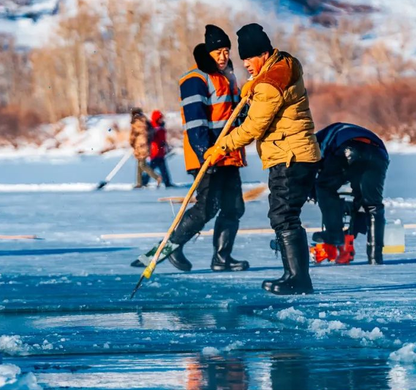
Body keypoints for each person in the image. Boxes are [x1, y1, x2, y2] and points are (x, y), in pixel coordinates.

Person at [204, 23, 321, 295]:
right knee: (284, 215)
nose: (245, 64)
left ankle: (297, 279)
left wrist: (221, 147)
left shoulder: (270, 85)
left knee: (283, 216)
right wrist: (252, 86)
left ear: (264, 54)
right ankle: (295, 276)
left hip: (290, 155)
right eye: (243, 59)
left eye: (249, 58)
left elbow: (253, 127)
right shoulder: (283, 65)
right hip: (296, 153)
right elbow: (263, 87)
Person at [131, 24, 249, 272]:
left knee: (234, 206)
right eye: (218, 51)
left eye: (227, 50)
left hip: (230, 153)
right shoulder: (195, 79)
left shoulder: (229, 78)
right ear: (208, 53)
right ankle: (172, 245)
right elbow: (195, 121)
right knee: (207, 205)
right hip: (206, 154)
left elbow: (235, 114)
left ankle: (221, 258)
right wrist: (205, 150)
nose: (223, 56)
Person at [311, 122, 389, 265]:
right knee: (372, 205)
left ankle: (334, 235)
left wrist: (312, 191)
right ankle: (375, 256)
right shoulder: (341, 129)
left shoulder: (318, 140)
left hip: (349, 148)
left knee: (324, 186)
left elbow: (316, 166)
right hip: (379, 154)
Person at [129, 107, 161, 189]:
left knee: (142, 164)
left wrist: (132, 142)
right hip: (145, 144)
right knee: (139, 164)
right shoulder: (145, 121)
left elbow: (133, 135)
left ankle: (157, 177)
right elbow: (151, 133)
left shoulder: (136, 121)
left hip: (140, 145)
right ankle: (139, 182)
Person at [142, 110, 174, 187]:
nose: (161, 120)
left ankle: (167, 182)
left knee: (163, 169)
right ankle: (144, 182)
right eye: (160, 118)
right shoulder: (152, 127)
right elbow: (150, 138)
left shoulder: (161, 127)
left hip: (161, 151)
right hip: (155, 152)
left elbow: (163, 139)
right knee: (151, 168)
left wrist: (166, 146)